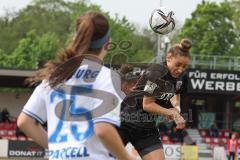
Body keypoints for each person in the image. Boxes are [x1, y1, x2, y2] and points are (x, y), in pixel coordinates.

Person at [17, 12, 133, 160]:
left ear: (76, 38)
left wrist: (59, 149)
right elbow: (103, 130)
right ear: (107, 44)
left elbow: (24, 122)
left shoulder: (54, 76)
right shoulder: (106, 77)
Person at [118, 38, 192, 160]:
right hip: (126, 121)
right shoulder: (156, 72)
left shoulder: (182, 77)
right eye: (178, 65)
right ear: (169, 57)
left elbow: (175, 95)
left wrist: (176, 109)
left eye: (184, 66)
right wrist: (171, 113)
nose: (181, 69)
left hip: (147, 128)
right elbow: (147, 104)